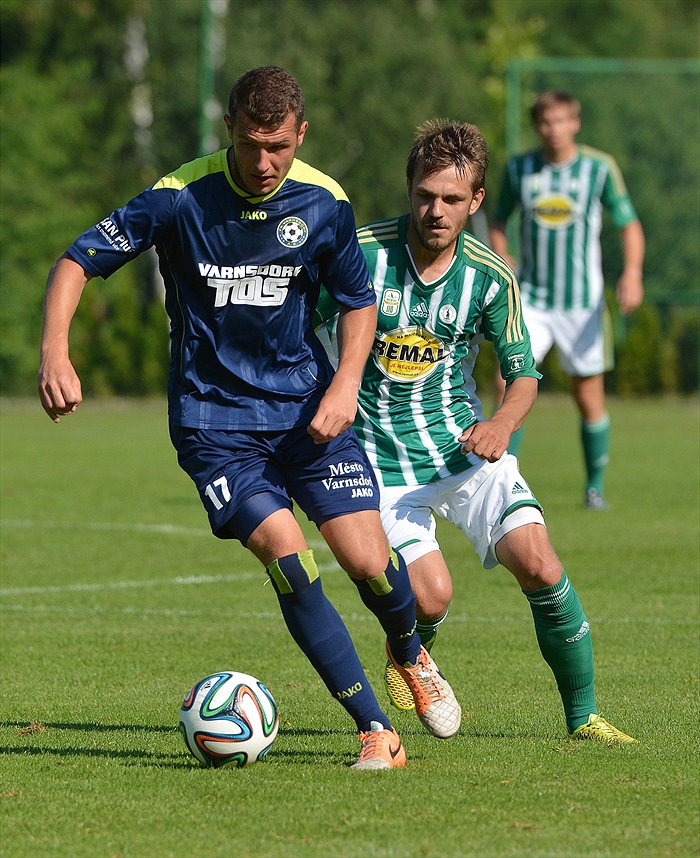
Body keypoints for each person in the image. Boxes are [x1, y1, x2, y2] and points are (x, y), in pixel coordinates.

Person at [37, 66, 461, 771]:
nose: (263, 164)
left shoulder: (324, 202)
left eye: (278, 148)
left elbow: (359, 302)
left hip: (307, 412)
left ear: (301, 135)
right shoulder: (179, 198)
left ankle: (410, 652)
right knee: (290, 561)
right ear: (228, 128)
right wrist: (56, 351)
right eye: (250, 144)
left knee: (372, 565)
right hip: (215, 425)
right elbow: (77, 261)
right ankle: (375, 729)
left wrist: (346, 384)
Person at [315, 118, 635, 745]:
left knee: (541, 564)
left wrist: (502, 423)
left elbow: (523, 375)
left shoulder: (491, 277)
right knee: (432, 598)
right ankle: (412, 651)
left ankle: (584, 716)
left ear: (477, 201)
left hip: (463, 450)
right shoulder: (359, 254)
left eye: (452, 199)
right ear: (408, 188)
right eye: (425, 195)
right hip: (379, 466)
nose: (436, 210)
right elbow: (299, 330)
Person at [489, 91, 645, 510]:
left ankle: (594, 487)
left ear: (575, 123)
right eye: (545, 122)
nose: (553, 129)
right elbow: (497, 218)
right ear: (537, 126)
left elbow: (628, 224)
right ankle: (503, 479)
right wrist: (501, 251)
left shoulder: (598, 168)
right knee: (508, 382)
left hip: (582, 304)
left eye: (561, 120)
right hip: (532, 300)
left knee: (587, 394)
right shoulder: (521, 168)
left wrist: (631, 273)